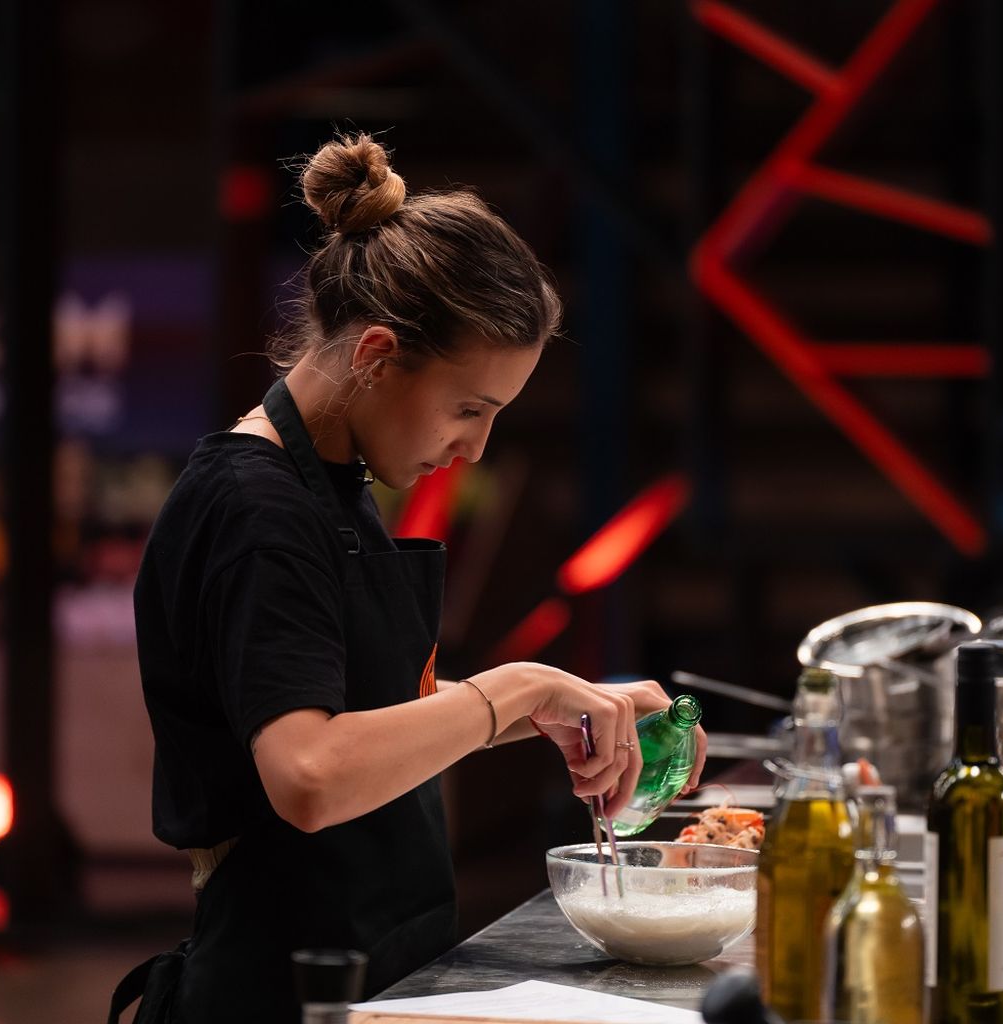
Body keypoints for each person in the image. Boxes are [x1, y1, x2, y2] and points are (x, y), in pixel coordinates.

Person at [130, 132, 706, 1022]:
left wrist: (567, 703)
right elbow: (309, 776)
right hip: (281, 992)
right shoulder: (256, 510)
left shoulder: (332, 485)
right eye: (468, 408)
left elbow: (368, 715)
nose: (474, 447)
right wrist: (514, 690)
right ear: (374, 355)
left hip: (386, 970)